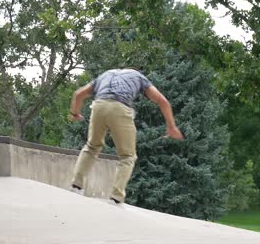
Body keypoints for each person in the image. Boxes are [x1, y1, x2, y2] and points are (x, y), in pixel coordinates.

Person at [68, 68, 184, 204]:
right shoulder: (139, 77)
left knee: (92, 146)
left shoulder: (106, 75)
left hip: (99, 106)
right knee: (127, 156)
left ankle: (76, 185)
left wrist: (75, 113)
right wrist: (171, 126)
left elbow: (78, 94)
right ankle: (116, 197)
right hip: (120, 108)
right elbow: (162, 101)